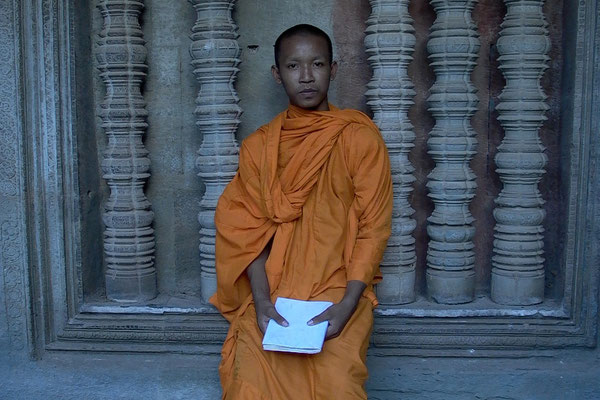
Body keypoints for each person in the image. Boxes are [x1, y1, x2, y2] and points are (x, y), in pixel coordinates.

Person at [210, 23, 393, 399]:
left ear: (334, 69)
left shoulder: (358, 137)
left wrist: (347, 304)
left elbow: (374, 228)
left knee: (339, 387)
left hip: (339, 288)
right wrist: (261, 303)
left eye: (318, 64)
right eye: (294, 67)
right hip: (273, 291)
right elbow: (247, 233)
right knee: (248, 384)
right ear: (278, 75)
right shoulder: (260, 147)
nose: (307, 77)